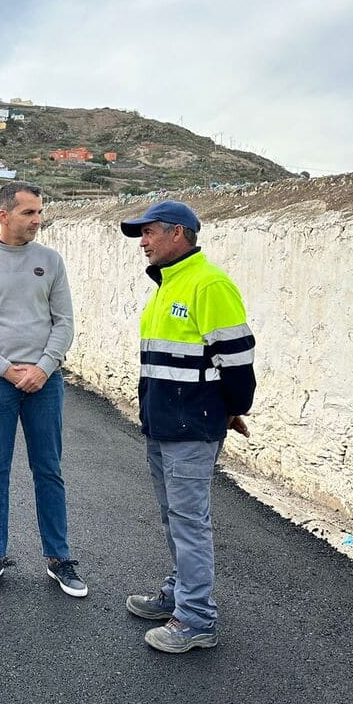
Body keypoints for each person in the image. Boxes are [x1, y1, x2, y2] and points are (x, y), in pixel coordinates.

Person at [119, 200, 255, 654]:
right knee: (174, 518)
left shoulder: (208, 284)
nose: (143, 242)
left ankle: (196, 619)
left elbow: (236, 360)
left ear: (178, 234)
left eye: (149, 232)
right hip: (163, 424)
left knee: (189, 522)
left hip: (191, 427)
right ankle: (180, 595)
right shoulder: (166, 285)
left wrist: (233, 409)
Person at [0, 181, 85, 597]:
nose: (37, 220)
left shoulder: (51, 260)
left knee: (49, 469)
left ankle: (58, 558)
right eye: (29, 212)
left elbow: (63, 322)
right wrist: (10, 371)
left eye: (39, 212)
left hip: (45, 384)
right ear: (3, 215)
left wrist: (43, 368)